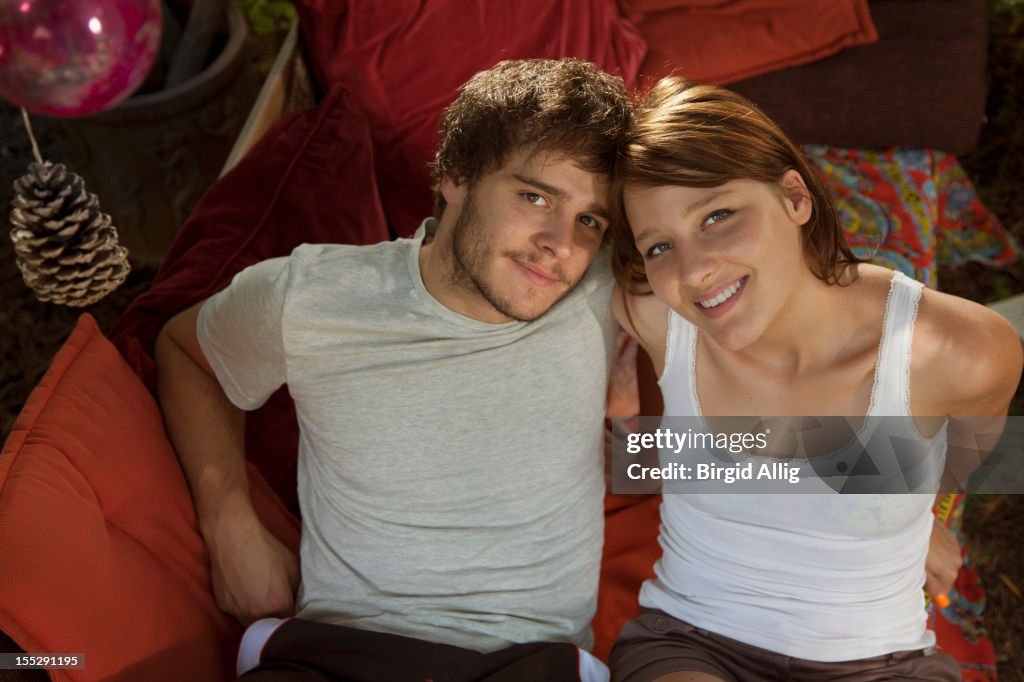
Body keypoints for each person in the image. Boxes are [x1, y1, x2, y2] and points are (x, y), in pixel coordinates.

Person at [154, 58, 632, 681]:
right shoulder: (313, 296)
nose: (560, 243)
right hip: (337, 655)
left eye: (588, 220)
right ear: (457, 174)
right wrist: (228, 522)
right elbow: (187, 354)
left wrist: (654, 448)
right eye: (535, 195)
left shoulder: (598, 288)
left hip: (527, 664)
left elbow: (761, 437)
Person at [607, 77, 1022, 682]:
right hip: (692, 642)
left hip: (884, 660)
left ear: (796, 198)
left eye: (718, 215)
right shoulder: (655, 314)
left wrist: (925, 513)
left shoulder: (959, 351)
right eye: (661, 245)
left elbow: (967, 446)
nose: (695, 271)